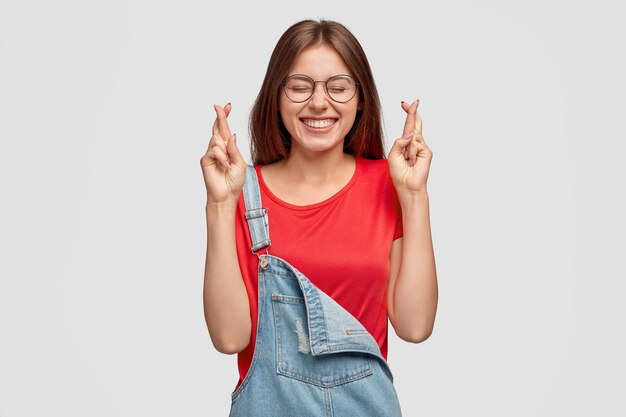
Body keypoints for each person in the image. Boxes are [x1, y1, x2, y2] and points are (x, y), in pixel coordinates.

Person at [201, 19, 438, 416]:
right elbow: (229, 337)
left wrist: (414, 195)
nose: (318, 102)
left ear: (360, 98)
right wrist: (220, 204)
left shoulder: (389, 185)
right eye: (299, 86)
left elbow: (414, 327)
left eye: (338, 87)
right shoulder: (243, 191)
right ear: (277, 98)